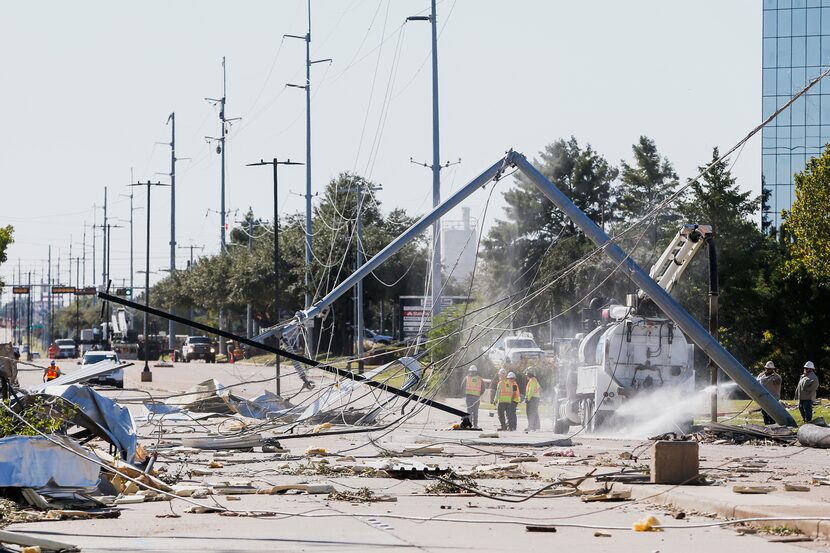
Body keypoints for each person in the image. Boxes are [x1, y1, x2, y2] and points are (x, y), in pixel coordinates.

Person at [756, 361, 782, 425]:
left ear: (773, 369)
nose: (767, 370)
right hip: (763, 398)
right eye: (766, 368)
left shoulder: (777, 377)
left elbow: (778, 382)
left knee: (772, 414)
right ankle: (767, 426)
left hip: (773, 398)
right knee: (764, 413)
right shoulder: (761, 375)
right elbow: (757, 381)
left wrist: (773, 378)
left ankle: (772, 427)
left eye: (769, 369)